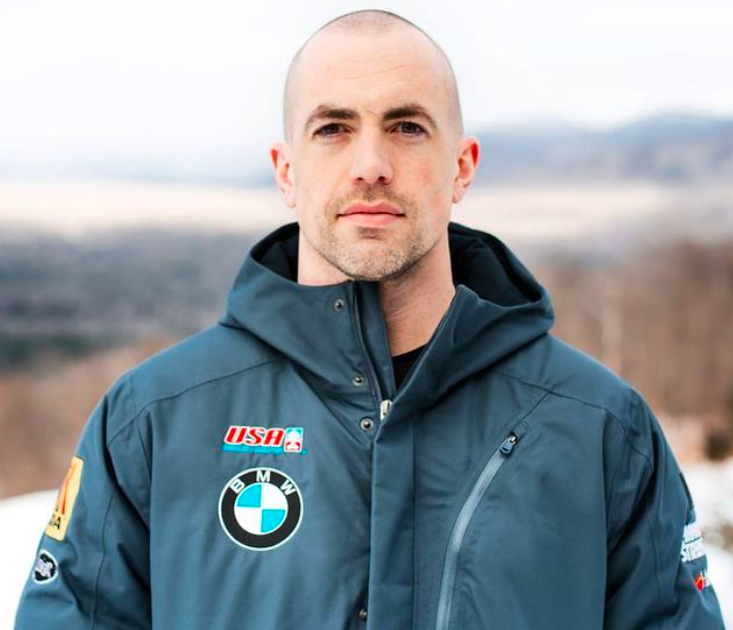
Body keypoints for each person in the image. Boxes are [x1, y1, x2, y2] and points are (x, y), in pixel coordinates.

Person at [14, 9, 726, 630]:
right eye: (332, 128)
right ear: (286, 170)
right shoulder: (154, 419)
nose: (370, 164)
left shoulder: (600, 427)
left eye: (407, 127)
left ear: (462, 166)